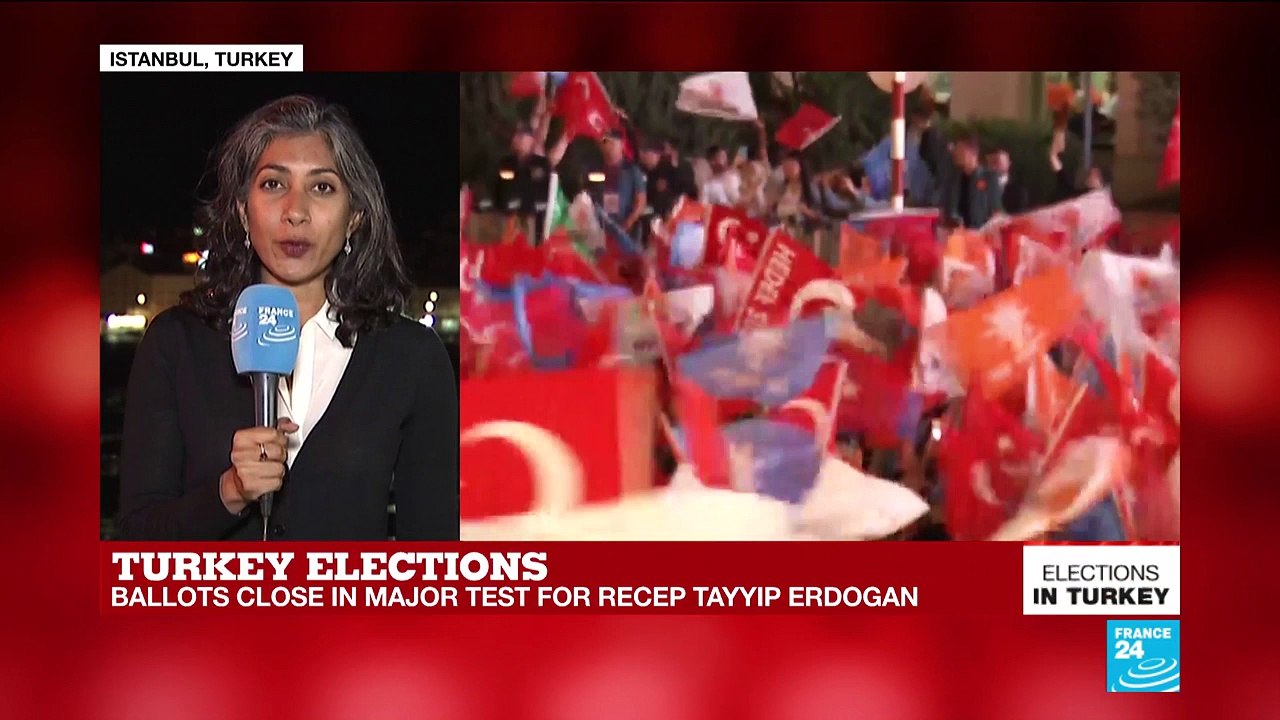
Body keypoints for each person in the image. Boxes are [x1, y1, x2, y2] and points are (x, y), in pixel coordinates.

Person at [115, 95, 459, 541]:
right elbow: (137, 542)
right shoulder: (175, 344)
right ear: (242, 210)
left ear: (355, 217)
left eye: (322, 188)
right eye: (274, 184)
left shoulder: (411, 358)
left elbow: (432, 556)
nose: (295, 212)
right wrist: (229, 492)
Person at [492, 122, 553, 240]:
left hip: (534, 218)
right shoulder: (506, 162)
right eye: (517, 136)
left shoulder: (542, 164)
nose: (517, 139)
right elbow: (498, 189)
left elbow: (549, 191)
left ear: (531, 140)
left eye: (522, 136)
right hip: (509, 218)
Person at [592, 128, 647, 246]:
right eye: (605, 142)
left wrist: (628, 223)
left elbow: (641, 201)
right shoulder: (596, 169)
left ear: (621, 145)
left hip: (625, 231)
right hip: (600, 230)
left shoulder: (632, 170)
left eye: (612, 143)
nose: (608, 146)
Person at [939, 133, 1003, 229]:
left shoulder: (989, 178)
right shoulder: (953, 179)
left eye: (960, 150)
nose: (956, 154)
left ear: (971, 153)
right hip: (957, 235)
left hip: (980, 235)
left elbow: (996, 212)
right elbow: (946, 208)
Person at [986, 147, 1029, 215]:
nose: (994, 166)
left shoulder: (1018, 189)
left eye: (997, 162)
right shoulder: (981, 186)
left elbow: (1020, 213)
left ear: (1008, 164)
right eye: (991, 163)